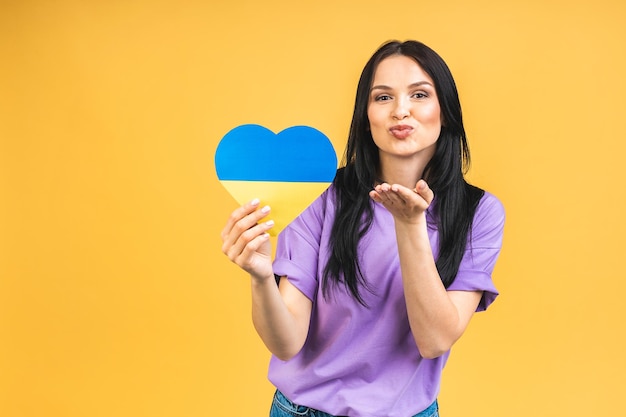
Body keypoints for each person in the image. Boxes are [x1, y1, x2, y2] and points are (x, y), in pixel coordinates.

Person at [221, 40, 505, 417]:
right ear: (366, 115)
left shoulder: (478, 212)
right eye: (383, 98)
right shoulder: (319, 196)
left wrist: (409, 225)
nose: (400, 111)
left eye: (419, 94)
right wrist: (259, 277)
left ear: (446, 112)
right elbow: (286, 343)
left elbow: (434, 340)